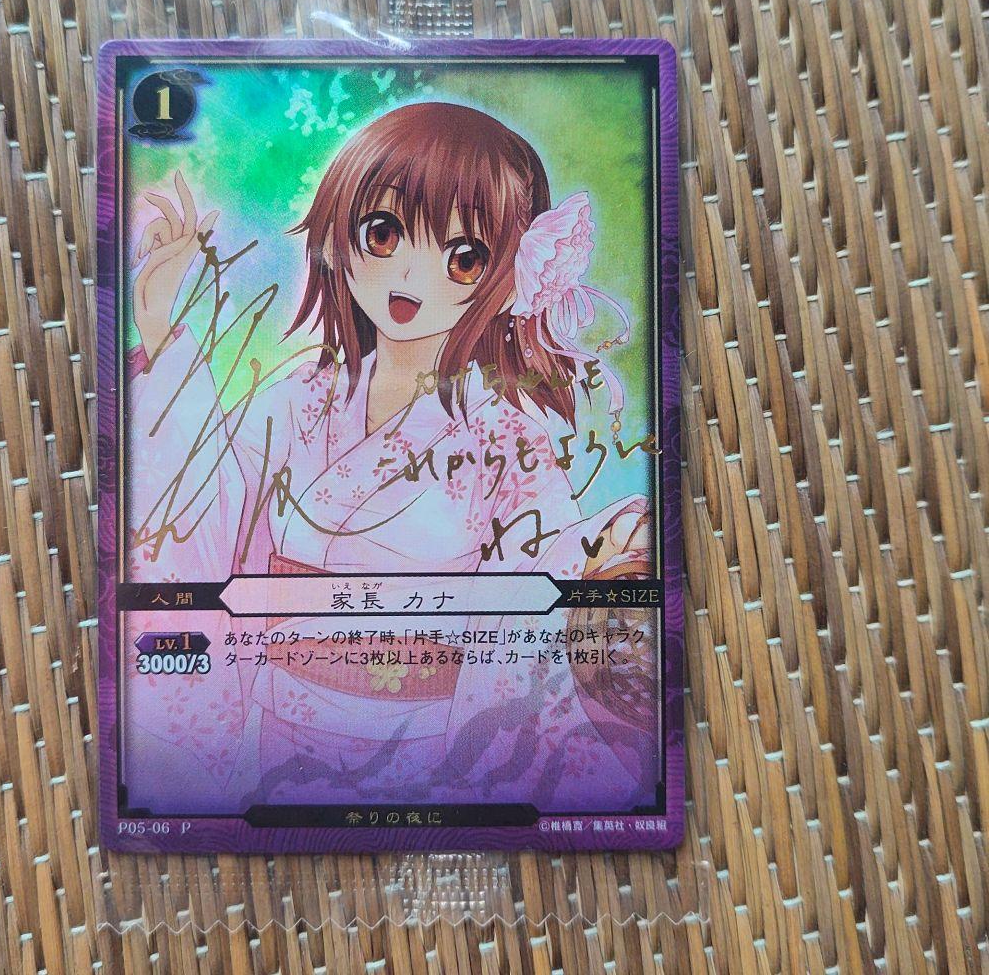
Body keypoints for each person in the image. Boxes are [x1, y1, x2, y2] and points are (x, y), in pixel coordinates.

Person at [122, 102, 658, 814]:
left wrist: (606, 557)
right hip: (275, 741)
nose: (411, 272)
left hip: (422, 755)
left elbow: (542, 578)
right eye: (383, 232)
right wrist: (161, 329)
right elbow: (202, 507)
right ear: (337, 236)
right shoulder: (299, 401)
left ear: (508, 278)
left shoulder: (504, 438)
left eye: (463, 257)